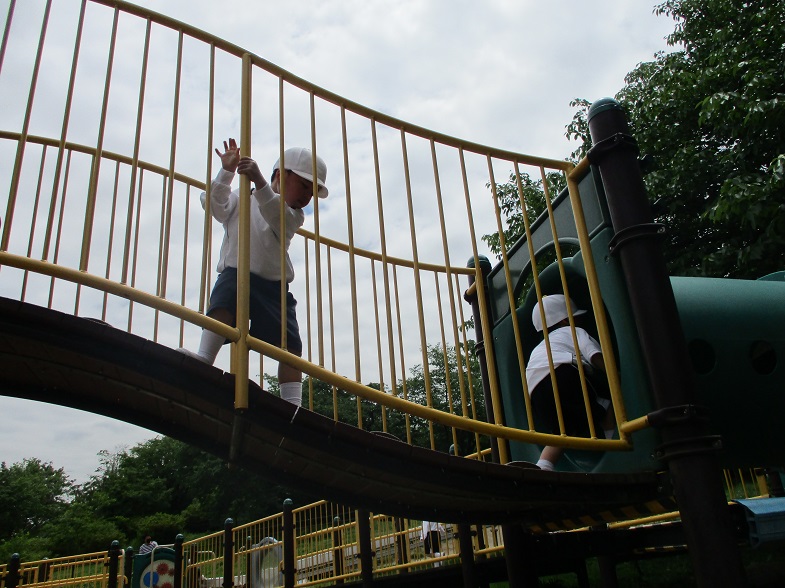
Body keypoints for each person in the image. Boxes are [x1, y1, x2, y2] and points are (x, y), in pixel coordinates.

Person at [179, 139, 328, 407]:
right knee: (222, 307)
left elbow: (274, 214)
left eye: (313, 191)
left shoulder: (293, 215)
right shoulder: (243, 195)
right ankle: (204, 359)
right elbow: (214, 206)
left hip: (274, 286)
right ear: (281, 175)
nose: (307, 196)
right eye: (304, 185)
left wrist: (259, 181)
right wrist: (227, 171)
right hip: (237, 274)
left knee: (290, 345)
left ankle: (292, 405)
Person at [525, 294, 615, 471]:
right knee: (605, 405)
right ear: (565, 320)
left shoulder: (540, 347)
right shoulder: (574, 331)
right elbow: (594, 355)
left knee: (562, 432)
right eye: (576, 317)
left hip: (535, 391)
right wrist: (613, 374)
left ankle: (544, 466)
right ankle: (615, 448)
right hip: (562, 373)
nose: (580, 321)